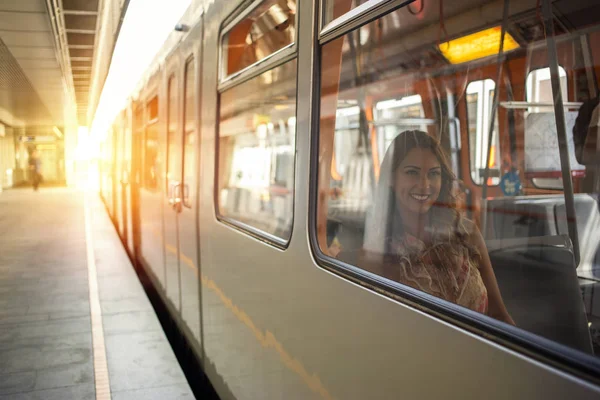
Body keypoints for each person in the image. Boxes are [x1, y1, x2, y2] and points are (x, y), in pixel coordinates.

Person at [361, 130, 514, 325]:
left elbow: (499, 314)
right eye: (412, 172)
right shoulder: (377, 246)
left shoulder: (466, 233)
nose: (424, 184)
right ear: (391, 178)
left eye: (433, 174)